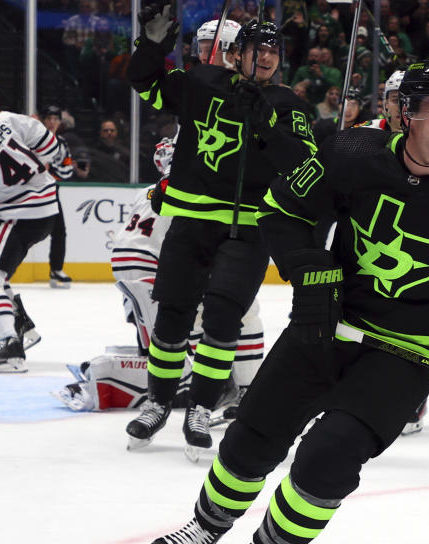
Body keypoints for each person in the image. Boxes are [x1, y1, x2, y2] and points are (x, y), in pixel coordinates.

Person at [136, 61, 429, 544]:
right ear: (405, 115)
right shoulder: (352, 155)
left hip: (409, 350)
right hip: (329, 323)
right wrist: (310, 271)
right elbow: (280, 212)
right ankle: (207, 525)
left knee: (332, 451)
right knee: (252, 437)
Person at [123, 4, 316, 459]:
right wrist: (151, 45)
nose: (266, 57)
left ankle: (201, 404)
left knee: (223, 319)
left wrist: (267, 123)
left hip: (248, 230)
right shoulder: (202, 82)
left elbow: (306, 168)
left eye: (273, 50)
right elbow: (145, 84)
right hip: (190, 221)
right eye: (256, 48)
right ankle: (158, 401)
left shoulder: (289, 104)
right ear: (236, 53)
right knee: (171, 314)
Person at [55, 135, 263, 417]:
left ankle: (169, 374)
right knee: (242, 311)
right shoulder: (199, 191)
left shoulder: (148, 191)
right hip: (158, 268)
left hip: (127, 267)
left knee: (166, 338)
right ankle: (240, 389)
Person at [0, 111, 65, 372]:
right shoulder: (2, 119)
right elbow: (53, 149)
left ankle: (10, 348)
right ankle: (20, 328)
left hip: (21, 214)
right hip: (45, 206)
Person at [39, 105, 76, 288]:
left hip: (51, 190)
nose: (52, 122)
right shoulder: (32, 139)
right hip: (29, 190)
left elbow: (68, 169)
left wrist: (50, 170)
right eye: (49, 118)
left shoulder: (62, 143)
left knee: (59, 231)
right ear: (43, 120)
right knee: (18, 229)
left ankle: (56, 269)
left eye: (56, 119)